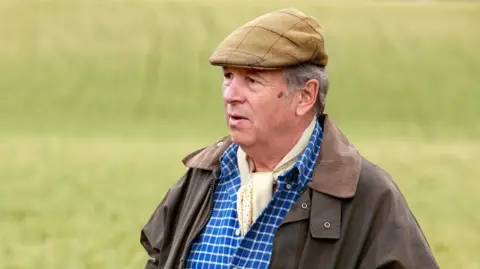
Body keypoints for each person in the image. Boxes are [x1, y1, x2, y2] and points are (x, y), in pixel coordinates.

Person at [140, 8, 439, 269]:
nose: (231, 95)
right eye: (228, 76)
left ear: (305, 96)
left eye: (252, 80)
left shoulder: (368, 196)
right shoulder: (201, 178)